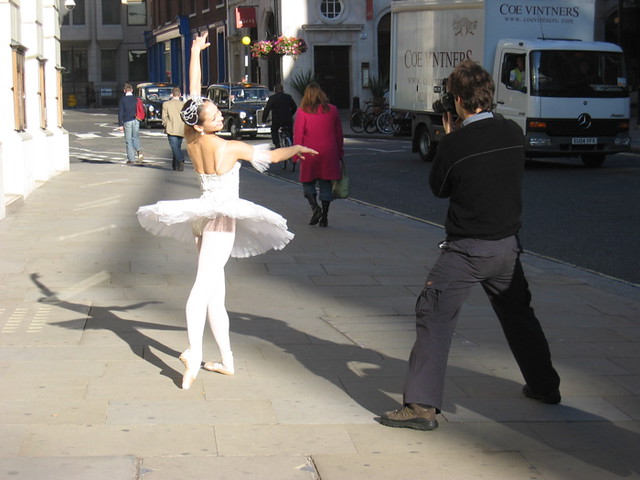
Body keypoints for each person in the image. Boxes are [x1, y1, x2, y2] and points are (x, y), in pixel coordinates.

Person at [379, 60, 560, 431]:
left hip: (467, 250)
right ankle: (545, 385)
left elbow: (439, 188)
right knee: (519, 316)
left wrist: (448, 139)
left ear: (458, 100)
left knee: (433, 315)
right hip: (508, 248)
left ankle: (420, 406)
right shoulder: (512, 131)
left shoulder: (457, 142)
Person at [136, 32, 317, 390]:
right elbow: (269, 156)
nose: (220, 116)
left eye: (219, 113)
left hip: (203, 216)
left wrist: (193, 51)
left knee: (216, 292)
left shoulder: (191, 138)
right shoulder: (230, 147)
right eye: (215, 115)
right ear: (201, 123)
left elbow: (193, 90)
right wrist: (296, 147)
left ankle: (227, 360)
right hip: (220, 220)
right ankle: (192, 352)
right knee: (203, 287)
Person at [293, 83, 343, 227]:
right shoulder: (333, 110)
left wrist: (296, 155)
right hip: (329, 152)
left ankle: (315, 208)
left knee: (308, 182)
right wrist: (340, 153)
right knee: (326, 183)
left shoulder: (302, 112)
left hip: (309, 153)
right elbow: (339, 134)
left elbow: (298, 135)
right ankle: (325, 216)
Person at [263, 84, 297, 148]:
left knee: (274, 130)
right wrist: (290, 114)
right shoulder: (288, 97)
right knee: (290, 132)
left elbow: (267, 109)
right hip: (288, 119)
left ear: (275, 91)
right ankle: (291, 143)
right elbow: (294, 107)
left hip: (277, 120)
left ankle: (277, 144)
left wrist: (264, 120)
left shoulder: (272, 98)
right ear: (282, 90)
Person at [118, 83, 143, 165]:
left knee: (128, 140)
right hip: (136, 120)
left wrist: (120, 125)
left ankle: (131, 159)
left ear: (124, 91)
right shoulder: (136, 98)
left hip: (127, 121)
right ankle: (139, 150)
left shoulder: (123, 100)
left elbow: (120, 113)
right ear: (132, 90)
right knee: (135, 137)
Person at [162, 87, 186, 171]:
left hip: (171, 127)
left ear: (172, 94)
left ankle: (181, 159)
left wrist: (165, 124)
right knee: (177, 147)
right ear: (180, 95)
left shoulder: (166, 104)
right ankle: (175, 166)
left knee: (174, 146)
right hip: (181, 128)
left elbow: (164, 117)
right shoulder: (183, 104)